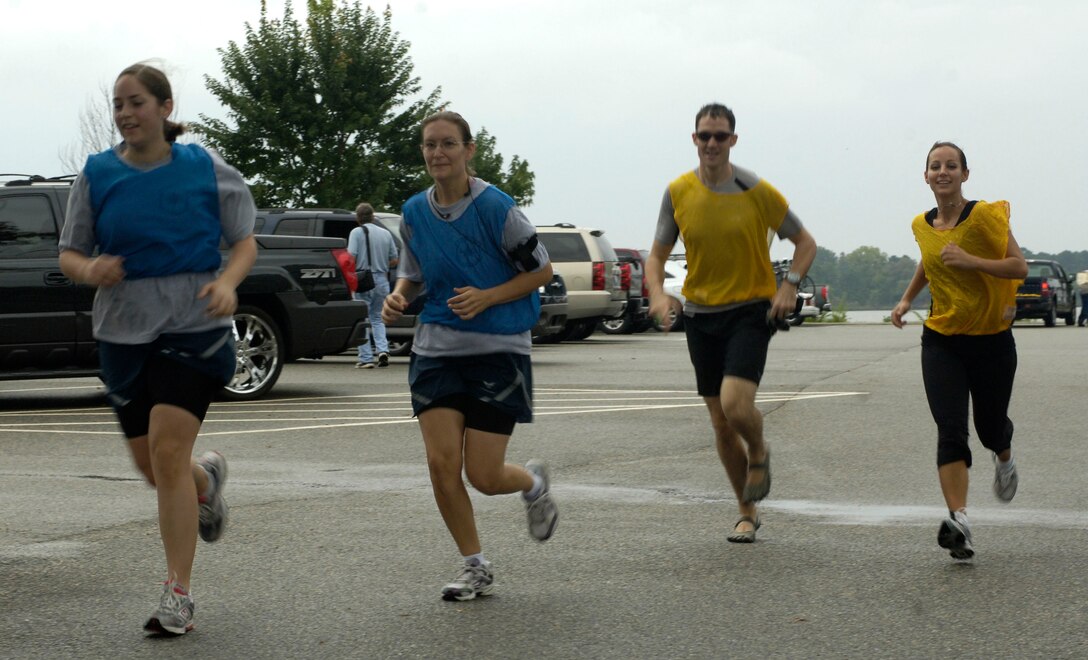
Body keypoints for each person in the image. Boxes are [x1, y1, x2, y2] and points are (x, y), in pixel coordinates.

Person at [57, 62, 257, 634]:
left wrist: (227, 283)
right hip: (122, 332)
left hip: (192, 326)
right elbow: (69, 254)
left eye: (136, 102)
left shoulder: (205, 168)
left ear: (165, 108)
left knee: (168, 455)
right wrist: (90, 267)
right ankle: (206, 483)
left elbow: (244, 242)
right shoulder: (96, 176)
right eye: (118, 104)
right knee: (155, 469)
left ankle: (178, 595)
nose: (125, 113)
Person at [382, 110, 559, 601]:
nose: (437, 153)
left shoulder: (498, 209)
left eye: (448, 144)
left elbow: (541, 273)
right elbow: (413, 274)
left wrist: (487, 296)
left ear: (468, 150)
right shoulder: (414, 212)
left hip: (497, 349)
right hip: (436, 347)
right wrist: (398, 295)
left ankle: (532, 482)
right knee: (441, 464)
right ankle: (474, 565)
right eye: (429, 145)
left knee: (483, 476)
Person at [645, 103, 817, 544]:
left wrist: (789, 286)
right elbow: (657, 257)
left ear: (733, 141)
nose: (712, 144)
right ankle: (746, 511)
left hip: (749, 311)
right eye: (704, 136)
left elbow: (805, 243)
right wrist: (660, 293)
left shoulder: (756, 189)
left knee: (737, 406)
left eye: (720, 136)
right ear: (694, 140)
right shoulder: (678, 191)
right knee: (720, 424)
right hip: (702, 316)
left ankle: (758, 449)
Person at [891, 141, 1027, 561]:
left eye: (952, 165)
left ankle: (1003, 456)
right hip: (941, 341)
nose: (943, 171)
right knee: (950, 430)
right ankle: (960, 521)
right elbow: (930, 262)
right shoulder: (921, 224)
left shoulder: (984, 216)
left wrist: (974, 261)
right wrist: (906, 298)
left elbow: (1018, 266)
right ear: (926, 176)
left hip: (991, 341)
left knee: (989, 428)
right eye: (935, 166)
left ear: (965, 175)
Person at [347, 202, 399, 368]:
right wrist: (381, 263)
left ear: (357, 217)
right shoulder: (385, 233)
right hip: (382, 279)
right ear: (373, 216)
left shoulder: (356, 232)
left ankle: (366, 358)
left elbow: (351, 256)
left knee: (362, 319)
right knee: (377, 318)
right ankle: (383, 350)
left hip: (363, 279)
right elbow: (394, 259)